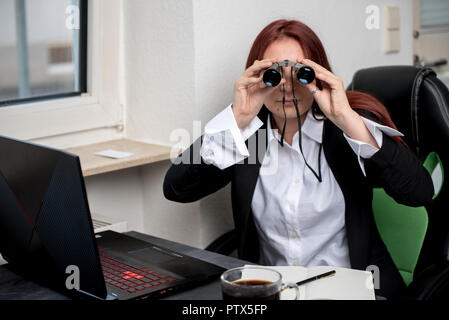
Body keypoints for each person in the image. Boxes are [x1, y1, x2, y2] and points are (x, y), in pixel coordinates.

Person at [163, 19, 434, 299]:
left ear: (319, 74)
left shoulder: (343, 134)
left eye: (299, 74)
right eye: (273, 74)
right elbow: (175, 189)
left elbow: (419, 192)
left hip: (353, 291)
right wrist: (237, 118)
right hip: (274, 294)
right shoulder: (247, 139)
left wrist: (346, 118)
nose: (286, 88)